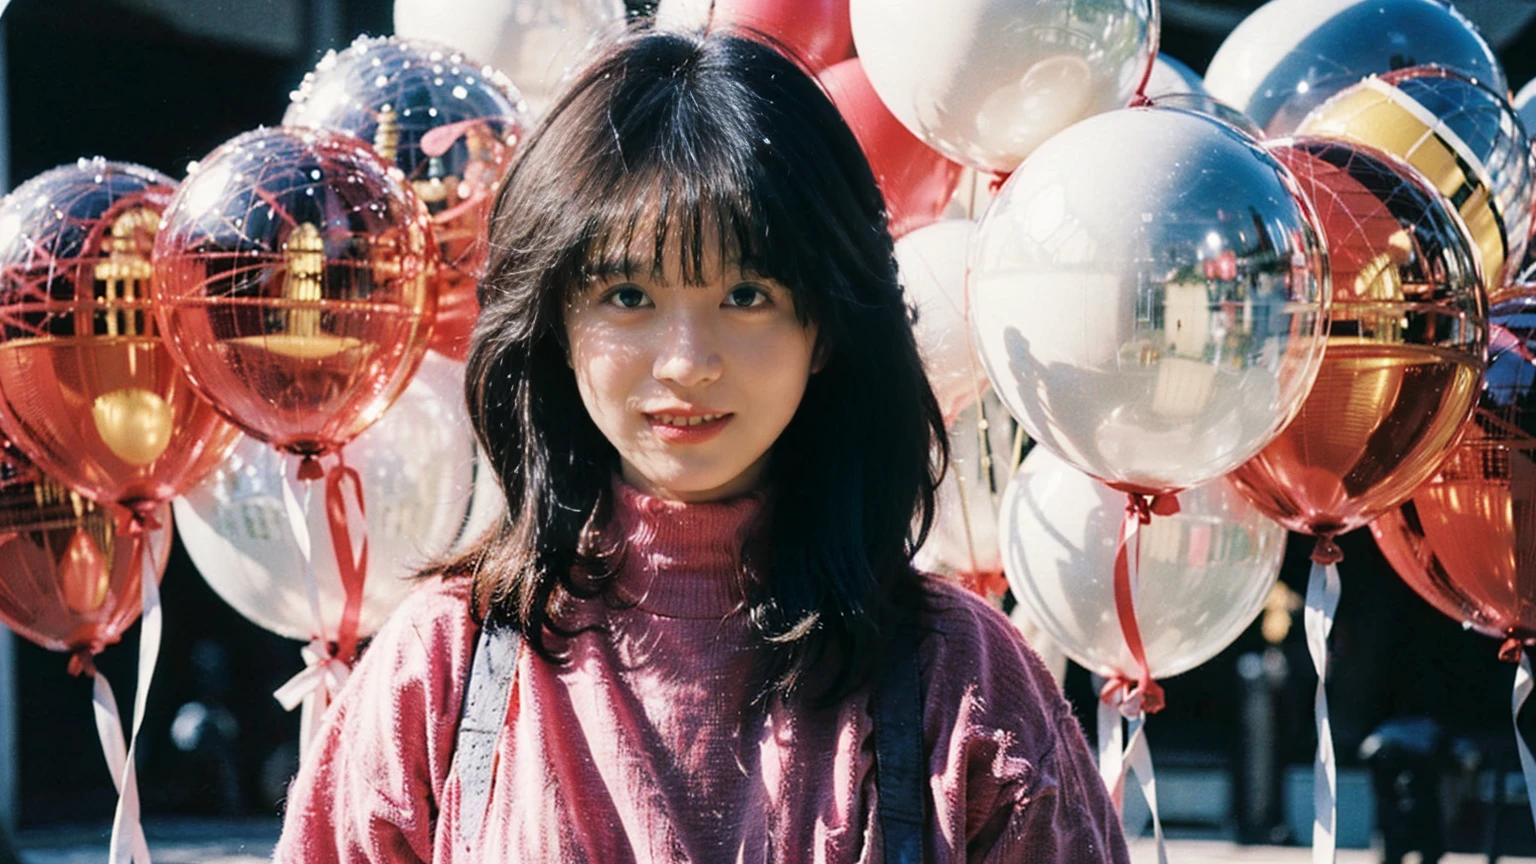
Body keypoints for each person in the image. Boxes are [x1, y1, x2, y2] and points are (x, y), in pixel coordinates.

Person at [273, 24, 1127, 864]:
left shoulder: (965, 681)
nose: (686, 364)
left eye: (747, 293)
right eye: (628, 294)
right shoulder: (441, 672)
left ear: (825, 324)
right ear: (558, 319)